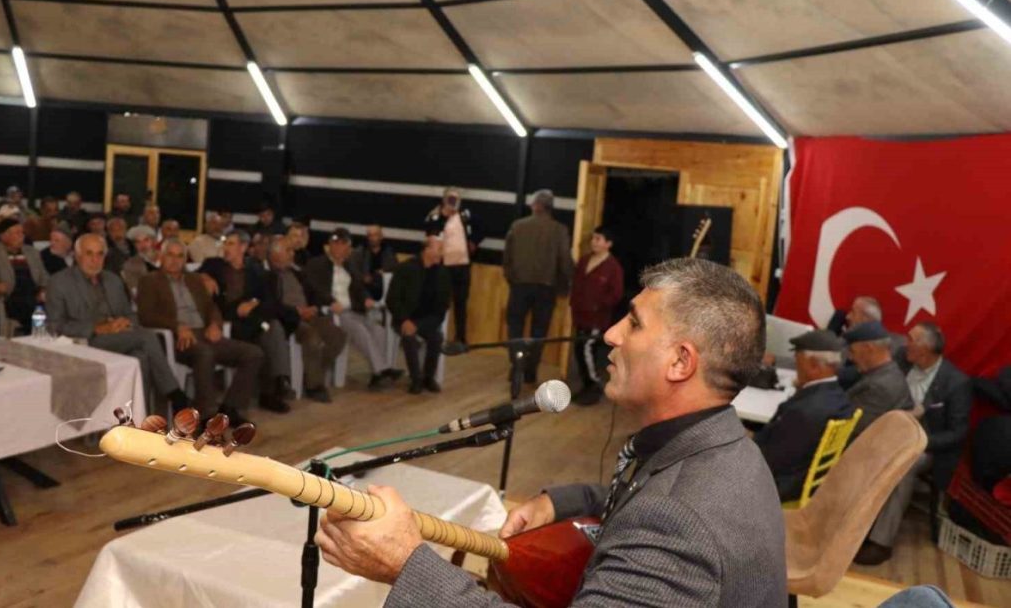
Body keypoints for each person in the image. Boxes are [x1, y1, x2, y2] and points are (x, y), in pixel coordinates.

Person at [315, 258, 787, 607]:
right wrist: (562, 501)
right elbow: (649, 496)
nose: (611, 334)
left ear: (681, 361)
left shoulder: (678, 523)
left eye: (635, 324)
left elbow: (663, 513)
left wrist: (405, 564)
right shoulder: (721, 447)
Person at [856, 322, 973, 565]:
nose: (905, 343)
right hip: (886, 430)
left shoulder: (956, 382)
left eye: (912, 339)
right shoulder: (901, 358)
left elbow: (957, 432)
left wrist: (917, 442)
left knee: (905, 464)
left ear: (926, 349)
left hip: (925, 445)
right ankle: (853, 526)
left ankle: (881, 541)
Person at [46, 233, 189, 414]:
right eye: (89, 254)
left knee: (141, 357)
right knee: (147, 337)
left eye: (100, 254)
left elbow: (132, 315)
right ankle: (174, 394)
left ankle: (137, 419)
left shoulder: (113, 280)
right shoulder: (59, 282)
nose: (94, 260)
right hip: (86, 340)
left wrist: (125, 322)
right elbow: (54, 326)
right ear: (77, 256)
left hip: (120, 338)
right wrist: (96, 328)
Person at [137, 239, 264, 425]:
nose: (174, 260)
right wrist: (177, 326)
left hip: (205, 333)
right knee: (205, 353)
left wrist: (214, 324)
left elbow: (212, 307)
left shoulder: (194, 279)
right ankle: (206, 416)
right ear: (161, 257)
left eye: (180, 256)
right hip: (177, 338)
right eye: (170, 255)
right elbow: (146, 316)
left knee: (253, 353)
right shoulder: (149, 281)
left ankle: (230, 408)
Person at [754, 329, 855, 503]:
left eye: (798, 361)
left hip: (772, 487)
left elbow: (767, 461)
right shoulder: (839, 398)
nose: (796, 365)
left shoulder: (804, 411)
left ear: (814, 366)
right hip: (799, 482)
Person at [200, 230, 294, 412]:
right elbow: (189, 276)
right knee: (268, 331)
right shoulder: (213, 265)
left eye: (230, 244)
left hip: (251, 317)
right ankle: (274, 387)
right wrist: (204, 277)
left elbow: (267, 295)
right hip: (227, 320)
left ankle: (273, 387)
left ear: (243, 247)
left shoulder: (254, 269)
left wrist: (254, 303)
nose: (225, 248)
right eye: (225, 243)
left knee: (272, 326)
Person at [304, 228, 400, 391]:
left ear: (349, 248)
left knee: (378, 330)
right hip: (334, 312)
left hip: (353, 310)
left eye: (343, 244)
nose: (339, 248)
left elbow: (359, 288)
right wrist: (330, 301)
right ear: (329, 245)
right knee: (359, 329)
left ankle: (383, 369)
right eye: (336, 244)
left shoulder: (350, 266)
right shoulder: (317, 264)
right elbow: (313, 288)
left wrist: (366, 299)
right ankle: (380, 371)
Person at [502, 189, 573, 383]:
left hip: (519, 286)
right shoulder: (559, 230)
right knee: (539, 331)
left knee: (515, 327)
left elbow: (506, 258)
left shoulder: (517, 226)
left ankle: (516, 364)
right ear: (551, 208)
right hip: (546, 288)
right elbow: (565, 261)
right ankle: (531, 370)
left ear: (535, 206)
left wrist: (511, 278)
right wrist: (567, 285)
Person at [267, 236, 346, 403]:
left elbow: (314, 293)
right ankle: (314, 386)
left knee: (338, 335)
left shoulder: (297, 272)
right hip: (290, 320)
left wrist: (316, 307)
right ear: (275, 255)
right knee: (312, 337)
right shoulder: (268, 276)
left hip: (310, 314)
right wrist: (296, 312)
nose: (292, 254)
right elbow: (272, 305)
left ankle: (311, 373)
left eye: (292, 251)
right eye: (288, 251)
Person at [386, 236, 450, 395]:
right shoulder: (406, 268)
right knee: (409, 336)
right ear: (427, 249)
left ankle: (428, 377)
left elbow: (442, 308)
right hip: (404, 318)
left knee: (436, 337)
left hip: (427, 321)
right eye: (439, 249)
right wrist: (404, 320)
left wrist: (420, 325)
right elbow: (392, 299)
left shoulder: (442, 274)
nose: (442, 253)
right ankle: (416, 379)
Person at [569, 225, 624, 405]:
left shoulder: (613, 267)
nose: (594, 242)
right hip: (580, 316)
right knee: (579, 350)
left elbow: (616, 294)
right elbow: (576, 285)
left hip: (596, 319)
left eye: (598, 239)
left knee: (586, 349)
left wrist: (597, 305)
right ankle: (586, 386)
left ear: (608, 243)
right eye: (593, 238)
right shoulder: (584, 261)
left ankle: (594, 386)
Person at [424, 189, 482, 346]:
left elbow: (482, 228)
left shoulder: (466, 215)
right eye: (450, 199)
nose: (453, 202)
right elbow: (430, 233)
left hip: (462, 265)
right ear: (444, 199)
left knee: (461, 302)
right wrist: (445, 216)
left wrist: (474, 242)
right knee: (439, 300)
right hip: (443, 265)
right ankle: (434, 333)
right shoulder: (435, 215)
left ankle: (460, 337)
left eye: (456, 199)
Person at [0, 219, 49, 335]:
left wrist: (43, 289)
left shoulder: (32, 252)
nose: (22, 236)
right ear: (3, 236)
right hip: (10, 297)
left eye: (22, 232)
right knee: (28, 309)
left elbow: (44, 277)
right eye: (17, 233)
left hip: (33, 295)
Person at [843, 321, 913, 436]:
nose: (850, 357)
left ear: (868, 348)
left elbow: (852, 430)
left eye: (852, 351)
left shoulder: (878, 387)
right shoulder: (891, 373)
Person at [837, 295, 907, 388]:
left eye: (853, 312)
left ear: (866, 319)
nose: (847, 317)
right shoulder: (843, 340)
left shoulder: (898, 347)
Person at [352, 224, 399, 301]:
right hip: (364, 290)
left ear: (381, 236)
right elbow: (353, 271)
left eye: (375, 235)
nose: (372, 238)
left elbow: (395, 270)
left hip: (384, 289)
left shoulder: (389, 252)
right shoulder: (359, 252)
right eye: (369, 235)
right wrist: (363, 278)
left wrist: (383, 273)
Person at [120, 225, 160, 293]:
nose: (143, 245)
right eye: (138, 242)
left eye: (146, 240)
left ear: (153, 241)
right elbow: (135, 292)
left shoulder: (166, 256)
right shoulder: (130, 265)